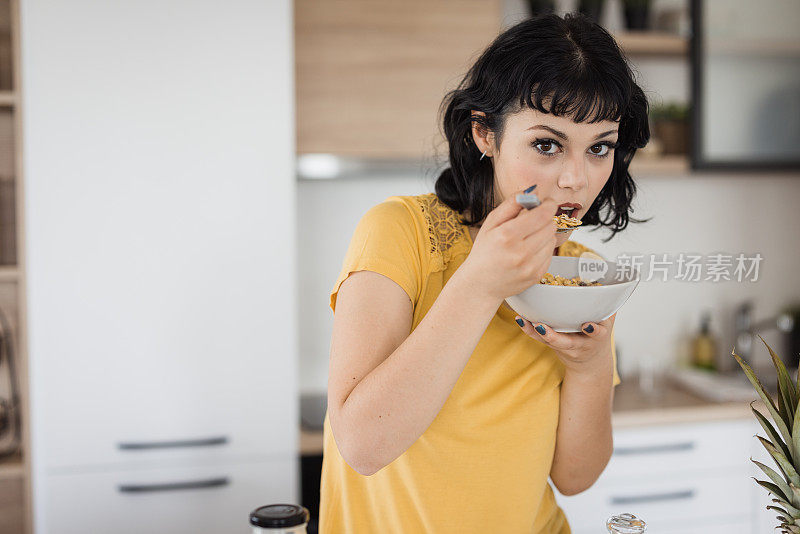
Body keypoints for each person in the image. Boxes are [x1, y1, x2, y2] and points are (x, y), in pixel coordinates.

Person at [319, 12, 650, 533]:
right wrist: (480, 282)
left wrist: (590, 366)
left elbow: (575, 477)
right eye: (547, 144)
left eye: (599, 148)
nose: (574, 179)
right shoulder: (399, 233)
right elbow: (362, 446)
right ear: (484, 133)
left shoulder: (586, 276)